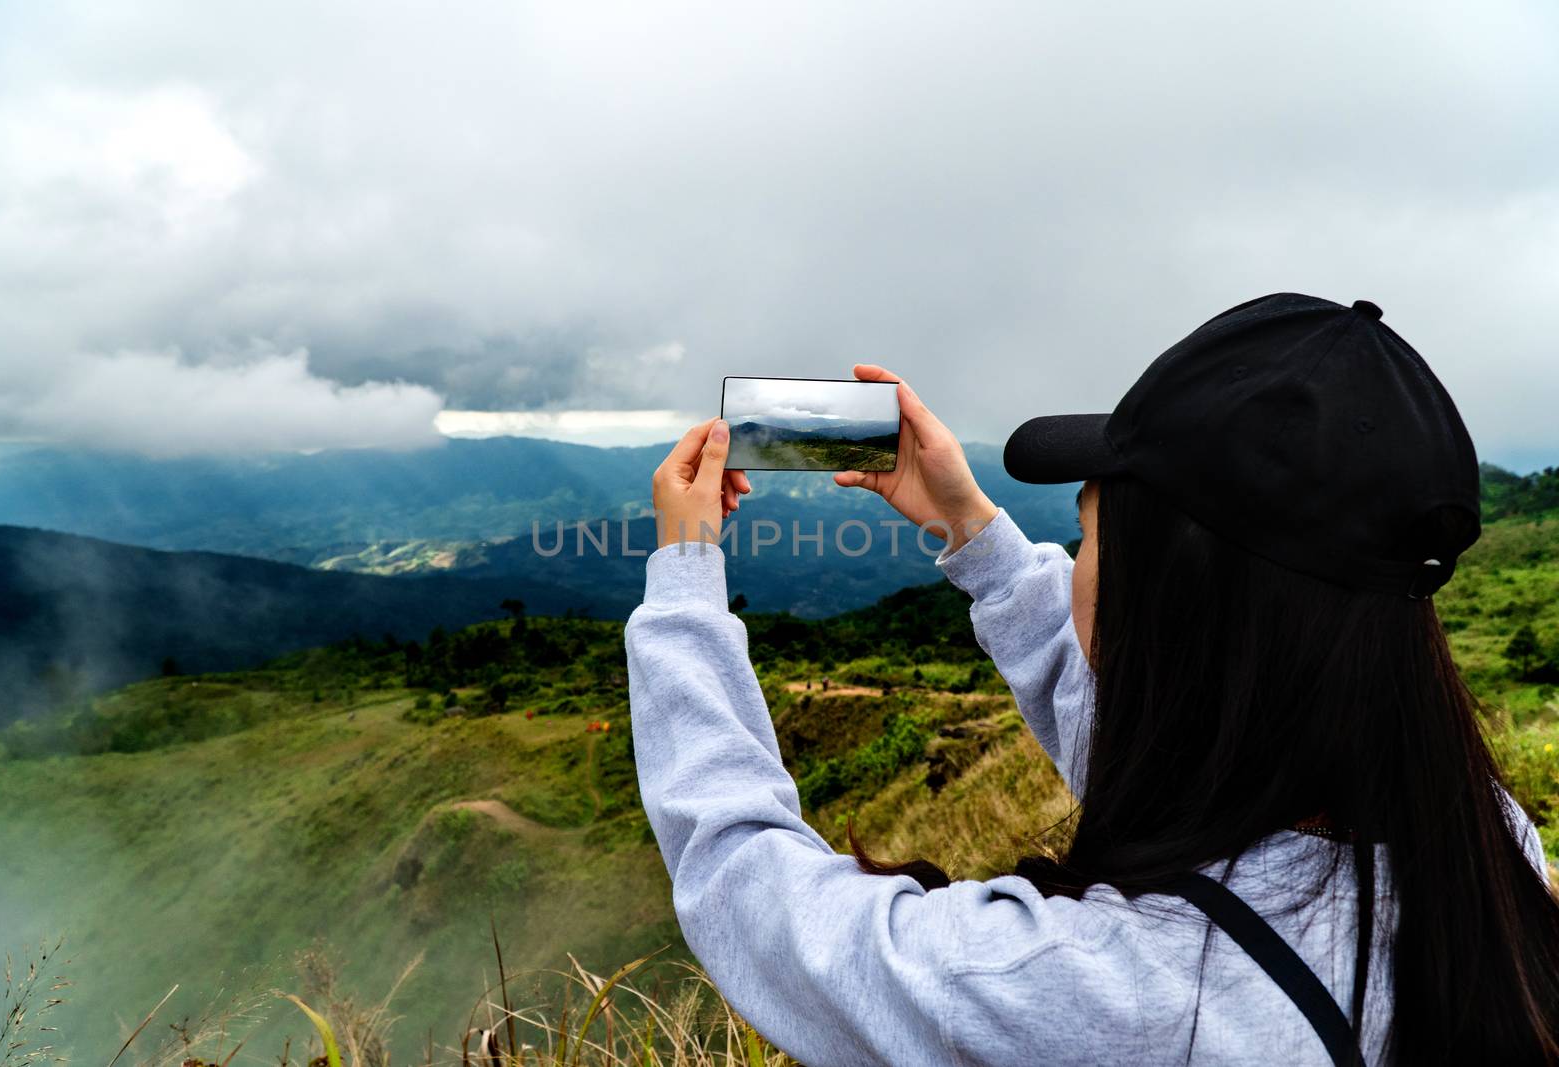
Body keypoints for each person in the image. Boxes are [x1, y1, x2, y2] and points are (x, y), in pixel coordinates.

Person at [624, 294, 1559, 1065]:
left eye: (1089, 532)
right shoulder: (1485, 846)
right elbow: (1159, 754)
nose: (1074, 557)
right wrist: (971, 529)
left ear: (1166, 605)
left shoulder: (1104, 999)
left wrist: (685, 573)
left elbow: (752, 892)